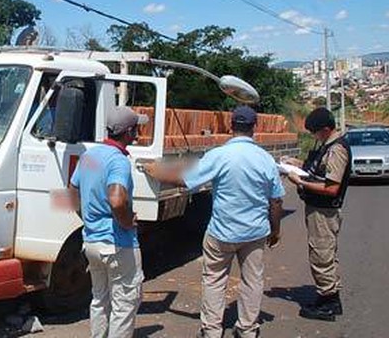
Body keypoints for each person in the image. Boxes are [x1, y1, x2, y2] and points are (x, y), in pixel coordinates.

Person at [143, 106, 284, 338]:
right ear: (255, 127)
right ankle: (248, 329)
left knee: (214, 281)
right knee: (253, 281)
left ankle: (211, 330)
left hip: (222, 232)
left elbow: (185, 180)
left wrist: (153, 171)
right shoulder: (266, 159)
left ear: (231, 126)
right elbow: (276, 200)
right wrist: (275, 230)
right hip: (255, 232)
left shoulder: (219, 155)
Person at [69, 106, 148, 338]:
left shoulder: (89, 156)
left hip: (91, 241)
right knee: (125, 304)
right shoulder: (118, 161)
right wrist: (126, 222)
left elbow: (72, 192)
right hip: (117, 243)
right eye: (137, 129)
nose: (138, 133)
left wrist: (87, 218)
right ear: (129, 131)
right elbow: (116, 200)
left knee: (99, 299)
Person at [282, 107, 351, 321]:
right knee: (323, 253)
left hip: (324, 211)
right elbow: (317, 169)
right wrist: (295, 164)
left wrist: (300, 182)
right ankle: (327, 295)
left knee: (322, 254)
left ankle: (329, 302)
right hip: (318, 209)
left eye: (315, 132)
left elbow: (331, 188)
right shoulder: (326, 146)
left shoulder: (337, 149)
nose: (313, 136)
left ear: (325, 129)